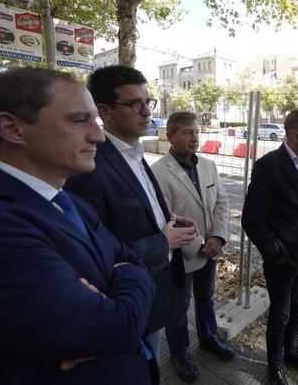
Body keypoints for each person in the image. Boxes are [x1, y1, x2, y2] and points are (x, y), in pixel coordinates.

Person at [0, 67, 156, 384]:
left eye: (95, 121)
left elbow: (132, 259)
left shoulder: (68, 201)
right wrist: (125, 274)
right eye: (78, 120)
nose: (97, 135)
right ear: (12, 128)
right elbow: (115, 329)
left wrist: (123, 269)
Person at [64, 66, 197, 370]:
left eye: (148, 102)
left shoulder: (134, 152)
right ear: (105, 111)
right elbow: (95, 254)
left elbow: (137, 209)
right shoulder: (90, 167)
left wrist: (168, 218)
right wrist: (163, 240)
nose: (146, 110)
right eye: (134, 103)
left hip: (157, 291)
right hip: (131, 302)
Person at [242, 109, 298, 385]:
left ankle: (293, 352)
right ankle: (274, 365)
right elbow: (252, 219)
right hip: (282, 260)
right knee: (280, 314)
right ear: (295, 135)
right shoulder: (270, 166)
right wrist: (274, 251)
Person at [151, 111, 234, 382]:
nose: (194, 138)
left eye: (197, 132)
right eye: (187, 132)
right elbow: (166, 219)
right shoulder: (158, 174)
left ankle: (208, 338)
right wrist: (200, 245)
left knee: (206, 299)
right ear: (169, 136)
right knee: (178, 307)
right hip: (182, 255)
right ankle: (179, 352)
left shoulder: (208, 166)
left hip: (210, 249)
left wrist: (218, 237)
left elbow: (221, 203)